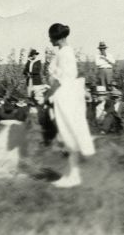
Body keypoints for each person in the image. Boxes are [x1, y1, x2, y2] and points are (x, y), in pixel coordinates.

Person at [44, 23, 95, 188]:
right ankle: (72, 174)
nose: (49, 39)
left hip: (65, 96)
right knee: (66, 134)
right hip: (64, 95)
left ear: (56, 38)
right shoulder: (64, 52)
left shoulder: (65, 53)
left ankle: (74, 175)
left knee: (68, 133)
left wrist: (50, 92)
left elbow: (63, 77)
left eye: (51, 37)